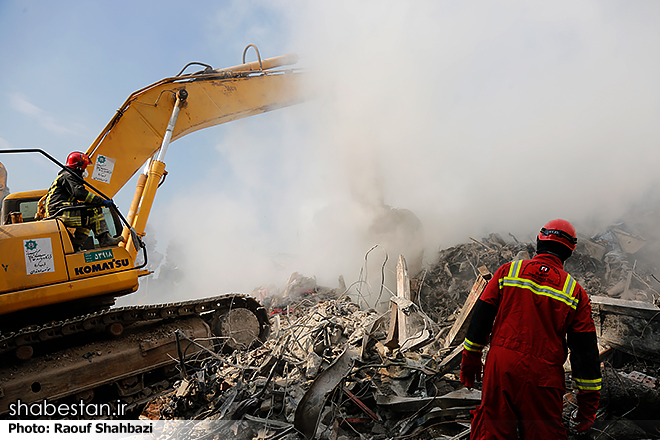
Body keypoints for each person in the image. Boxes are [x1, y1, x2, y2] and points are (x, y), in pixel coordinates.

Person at [460, 219, 601, 439]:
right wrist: (588, 406)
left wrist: (470, 358)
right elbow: (585, 353)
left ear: (539, 241)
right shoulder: (575, 292)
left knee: (493, 431)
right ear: (569, 252)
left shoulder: (509, 271)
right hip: (543, 377)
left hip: (501, 367)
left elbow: (481, 316)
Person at [44, 151, 124, 251]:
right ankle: (104, 239)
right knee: (93, 209)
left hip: (60, 210)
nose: (85, 170)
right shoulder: (69, 176)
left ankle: (75, 246)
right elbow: (80, 194)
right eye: (85, 167)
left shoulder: (68, 176)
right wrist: (101, 201)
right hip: (59, 212)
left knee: (88, 219)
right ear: (79, 167)